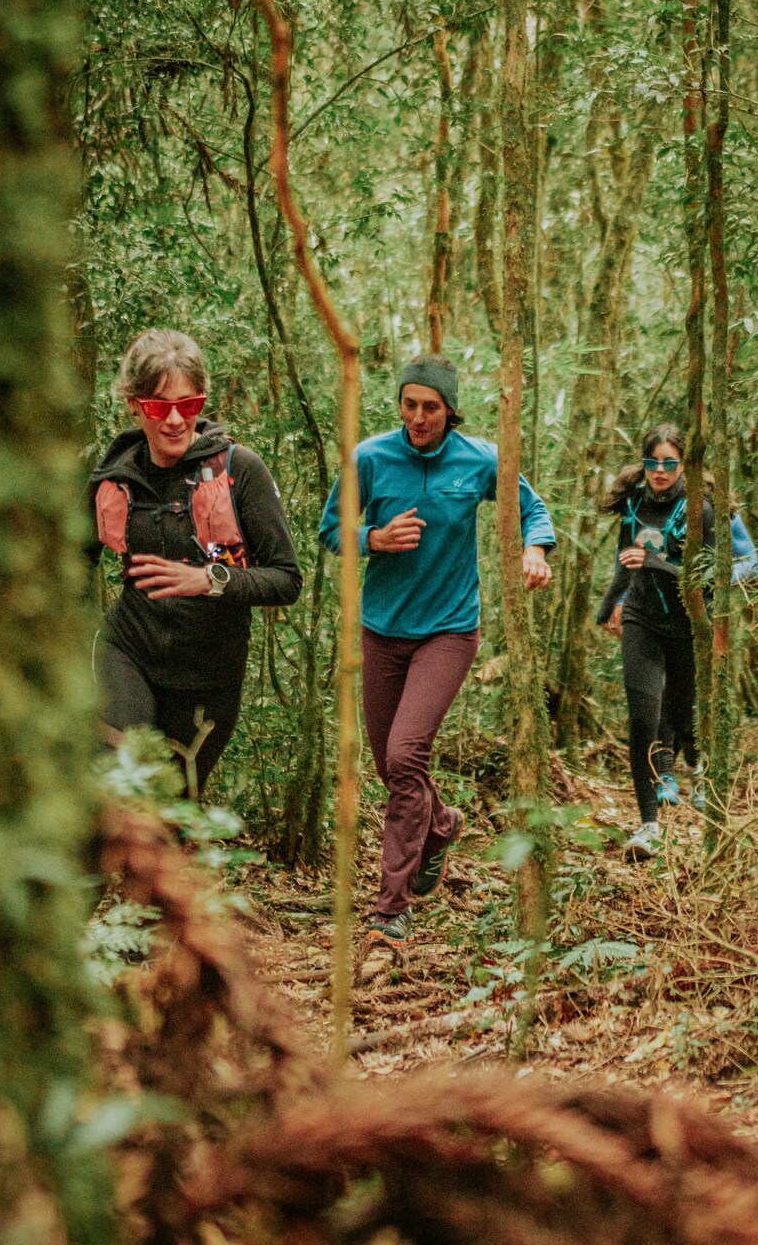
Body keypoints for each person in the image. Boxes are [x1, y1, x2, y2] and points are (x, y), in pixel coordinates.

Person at [319, 357, 556, 945]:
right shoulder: (371, 459)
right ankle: (442, 823)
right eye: (409, 404)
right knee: (391, 766)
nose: (419, 417)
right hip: (382, 630)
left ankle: (390, 907)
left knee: (404, 756)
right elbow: (330, 532)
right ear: (398, 405)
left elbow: (533, 509)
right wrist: (371, 538)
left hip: (449, 632)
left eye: (431, 407)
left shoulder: (478, 460)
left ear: (450, 409)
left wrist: (536, 550)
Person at [90, 328, 302, 796]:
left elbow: (286, 579)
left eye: (188, 405)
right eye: (157, 407)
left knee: (171, 817)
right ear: (133, 404)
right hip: (129, 651)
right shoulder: (116, 476)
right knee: (117, 780)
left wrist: (209, 579)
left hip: (208, 676)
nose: (173, 421)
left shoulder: (239, 470)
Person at [595, 425, 758, 861]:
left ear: (684, 464)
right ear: (643, 463)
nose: (661, 470)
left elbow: (726, 569)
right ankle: (648, 825)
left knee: (682, 709)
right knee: (643, 715)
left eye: (670, 462)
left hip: (689, 621)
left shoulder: (702, 509)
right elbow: (624, 556)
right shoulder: (634, 501)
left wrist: (660, 564)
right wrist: (614, 602)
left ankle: (697, 775)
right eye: (653, 462)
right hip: (642, 619)